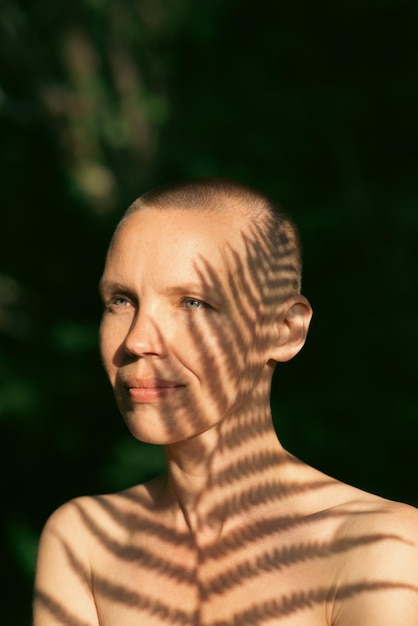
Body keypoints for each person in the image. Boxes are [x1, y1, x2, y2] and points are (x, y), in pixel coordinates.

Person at [33, 177, 418, 626]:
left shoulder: (378, 550)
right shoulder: (88, 541)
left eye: (192, 303)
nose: (137, 340)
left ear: (284, 330)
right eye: (121, 300)